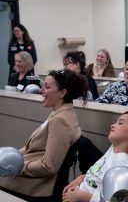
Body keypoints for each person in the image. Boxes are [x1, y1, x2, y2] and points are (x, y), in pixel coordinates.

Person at [0, 70, 88, 202]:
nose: (41, 90)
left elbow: (49, 166)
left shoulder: (61, 120)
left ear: (62, 93)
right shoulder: (61, 113)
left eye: (47, 87)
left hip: (36, 186)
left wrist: (17, 167)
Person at [62, 111, 128, 202]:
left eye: (120, 123)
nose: (112, 125)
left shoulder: (124, 169)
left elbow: (113, 200)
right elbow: (101, 172)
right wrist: (83, 177)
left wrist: (81, 196)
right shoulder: (114, 148)